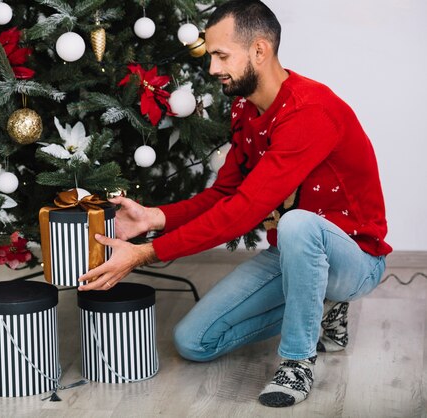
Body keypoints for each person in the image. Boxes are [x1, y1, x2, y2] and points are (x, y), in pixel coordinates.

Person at [78, 0, 391, 407]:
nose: (212, 69)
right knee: (193, 342)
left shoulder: (309, 111)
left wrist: (144, 254)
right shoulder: (245, 107)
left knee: (297, 223)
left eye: (221, 55)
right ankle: (323, 311)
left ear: (259, 51)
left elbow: (245, 211)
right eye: (211, 56)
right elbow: (225, 194)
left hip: (355, 260)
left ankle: (297, 360)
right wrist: (154, 218)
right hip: (292, 257)